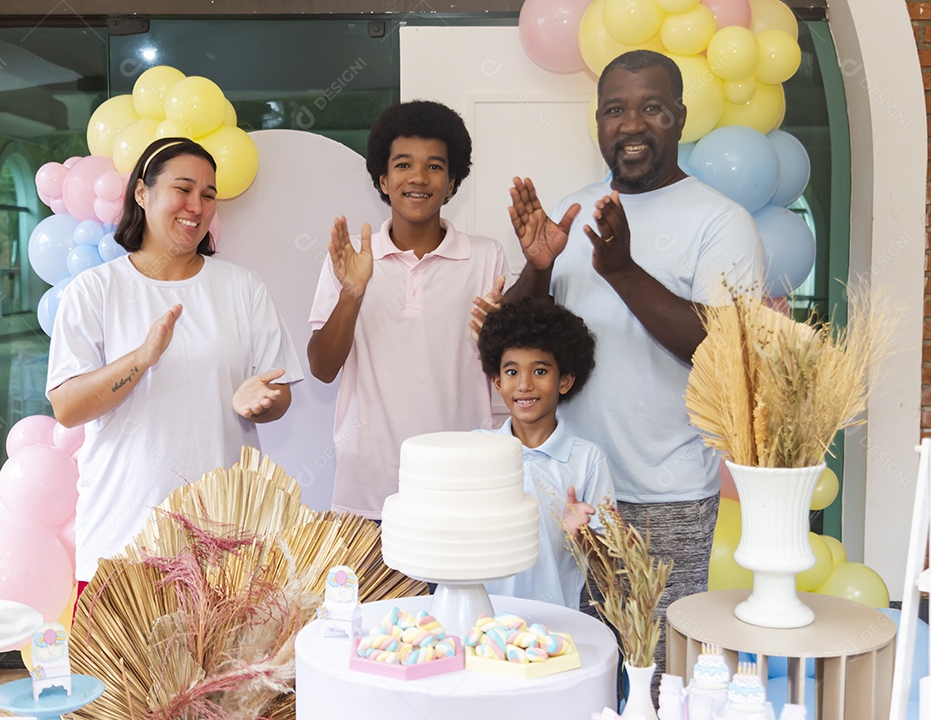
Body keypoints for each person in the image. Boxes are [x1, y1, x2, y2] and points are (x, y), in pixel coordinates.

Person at [504, 50, 764, 672]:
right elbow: (515, 339)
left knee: (654, 676)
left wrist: (620, 271)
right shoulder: (570, 212)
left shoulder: (721, 222)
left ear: (680, 115)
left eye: (651, 107)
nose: (632, 124)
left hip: (664, 495)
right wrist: (538, 269)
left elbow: (720, 349)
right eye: (615, 110)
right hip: (560, 486)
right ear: (597, 121)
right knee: (558, 670)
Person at [47, 137, 304, 586]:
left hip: (226, 542)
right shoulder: (95, 290)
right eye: (183, 189)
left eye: (208, 194)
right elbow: (68, 407)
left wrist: (261, 401)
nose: (197, 205)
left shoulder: (242, 288)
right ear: (142, 194)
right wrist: (141, 359)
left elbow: (279, 393)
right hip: (124, 540)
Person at [308, 100, 509, 520]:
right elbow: (323, 368)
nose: (418, 178)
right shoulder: (350, 260)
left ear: (453, 182)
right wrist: (352, 294)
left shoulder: (486, 256)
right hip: (367, 492)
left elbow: (510, 364)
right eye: (403, 165)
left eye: (435, 167)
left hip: (461, 487)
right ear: (383, 179)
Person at [475, 298, 615, 611]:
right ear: (498, 382)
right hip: (481, 623)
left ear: (564, 381)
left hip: (556, 628)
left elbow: (607, 568)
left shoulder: (588, 460)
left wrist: (583, 537)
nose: (524, 384)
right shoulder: (477, 451)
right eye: (511, 372)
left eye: (540, 370)